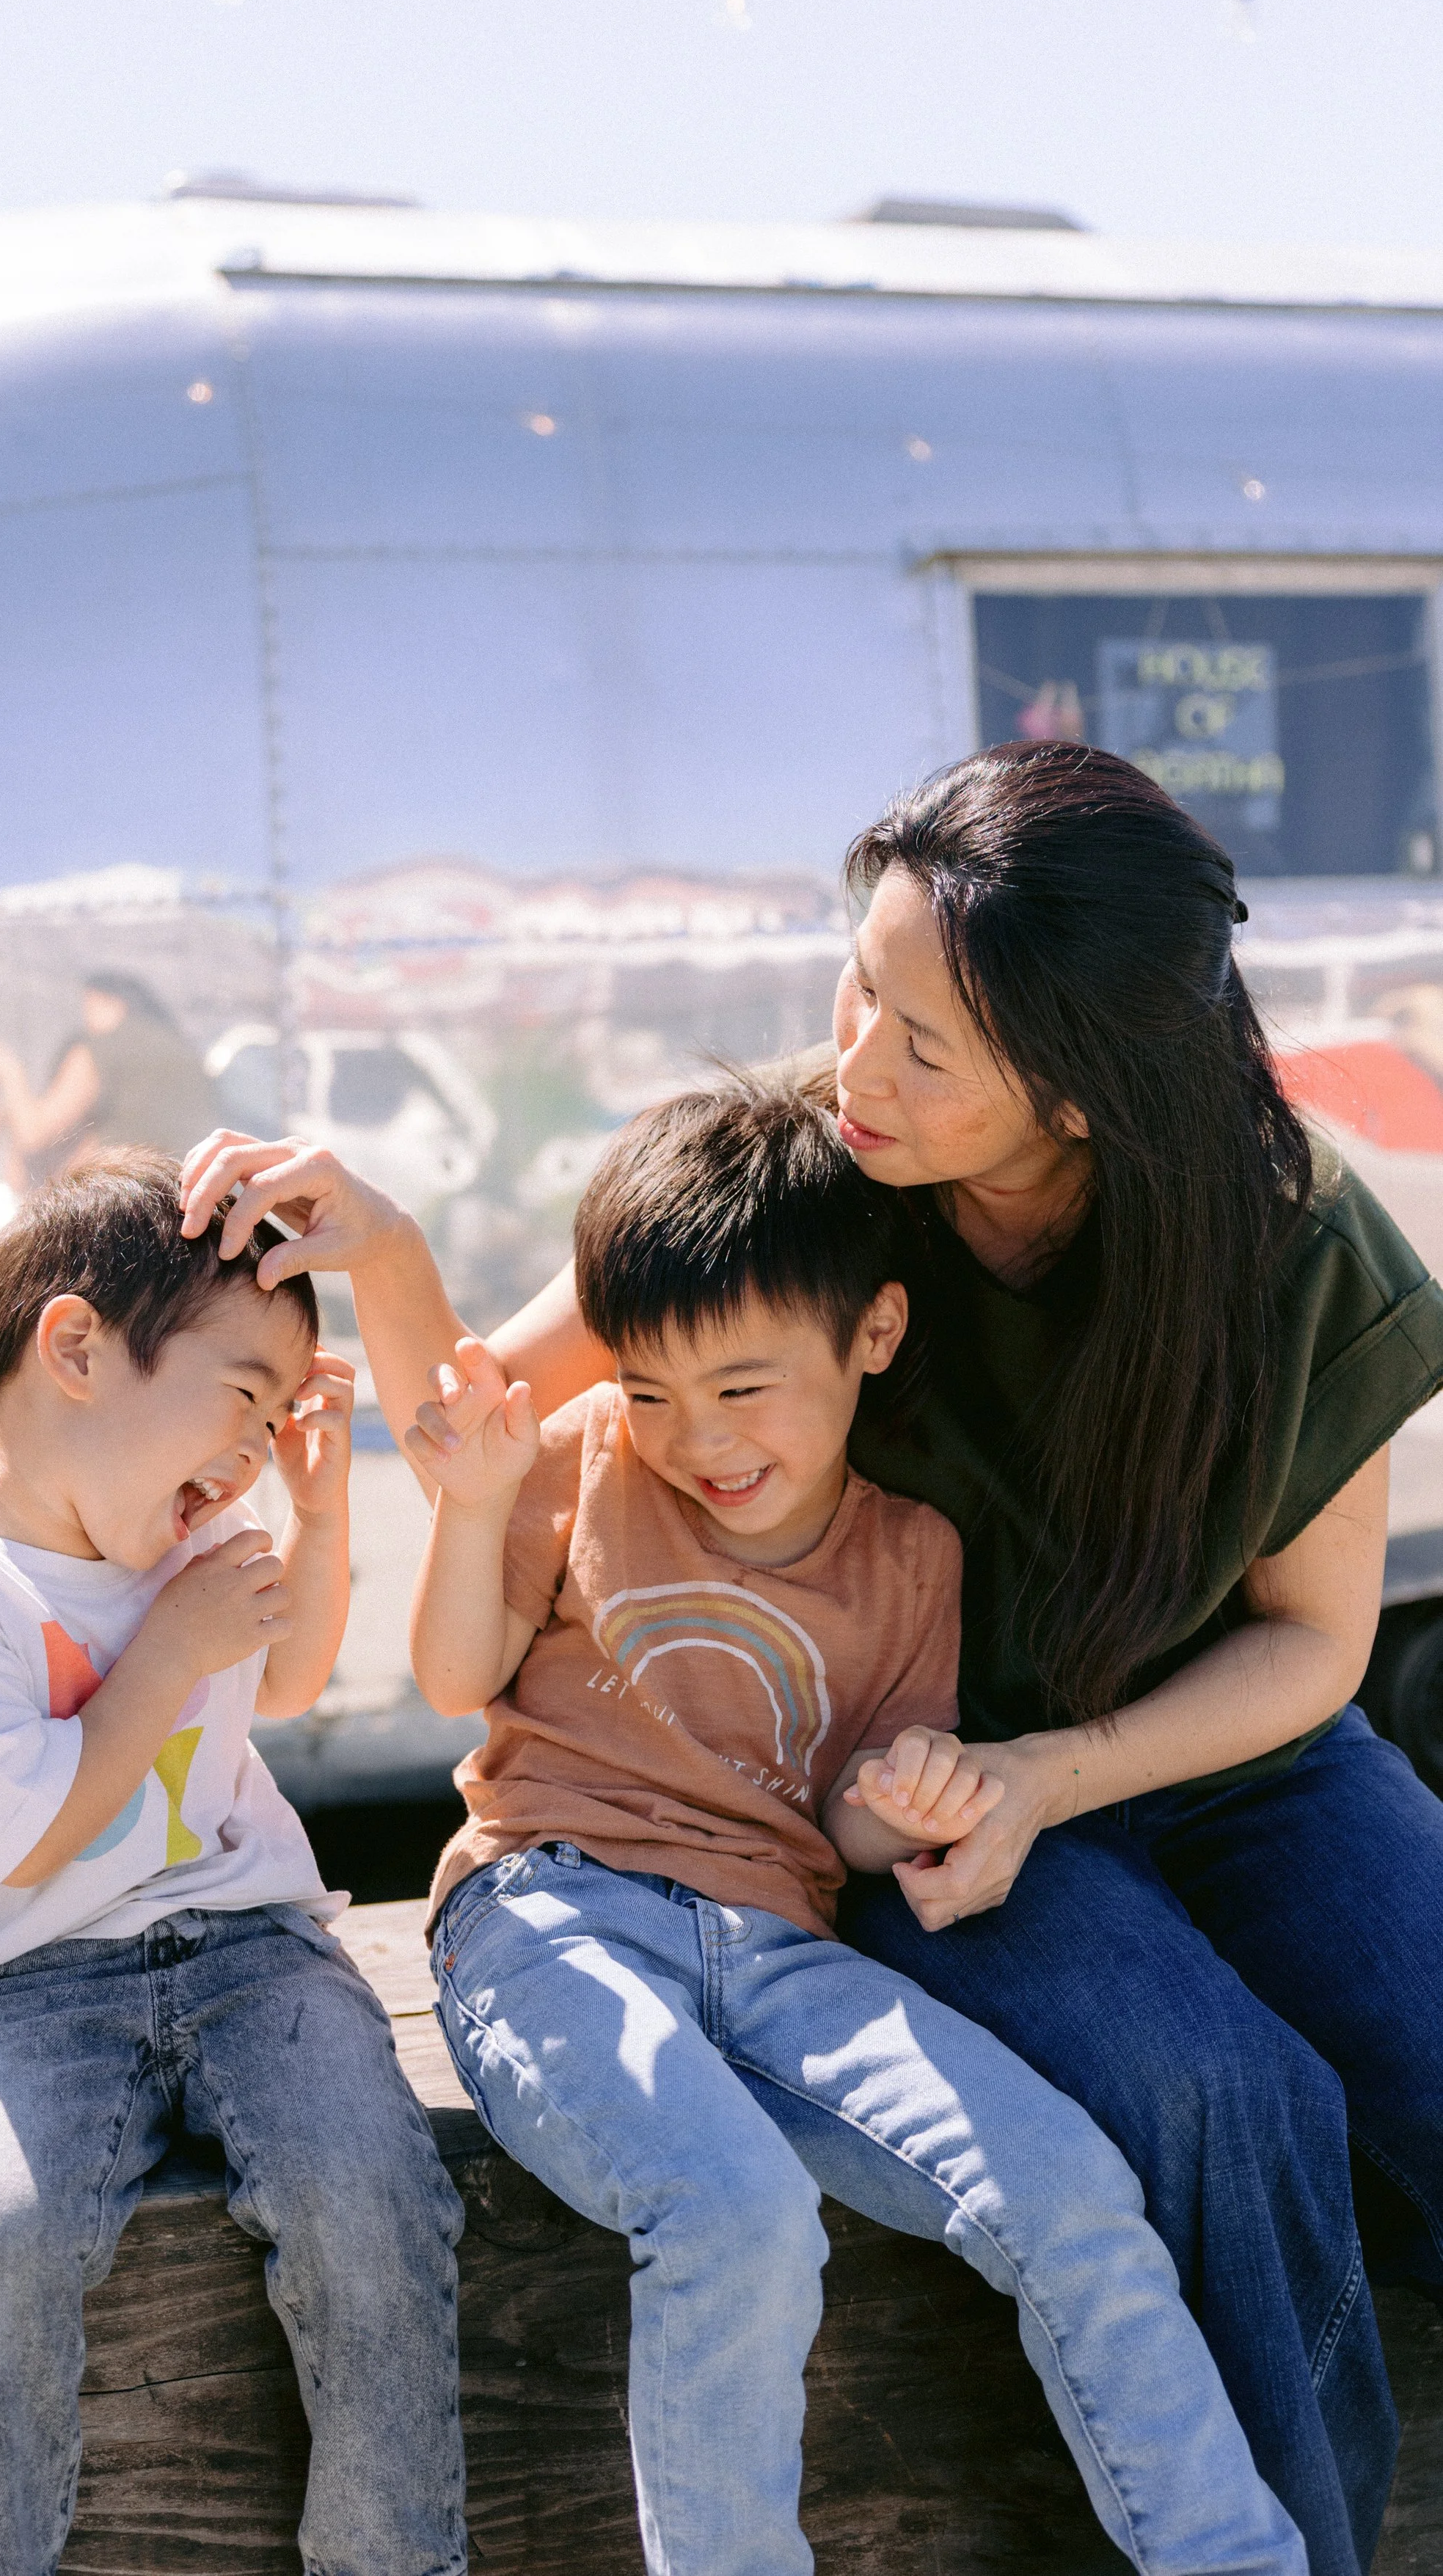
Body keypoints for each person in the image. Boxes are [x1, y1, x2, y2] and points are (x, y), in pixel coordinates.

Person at [177, 742, 1443, 2576]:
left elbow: (1317, 1642)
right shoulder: (810, 1166)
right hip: (917, 1777)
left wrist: (1060, 1769)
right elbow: (497, 1408)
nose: (856, 1059)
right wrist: (378, 1241)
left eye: (923, 1043)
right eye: (861, 984)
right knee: (1223, 2097)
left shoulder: (1295, 1238)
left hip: (1215, 1746)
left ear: (1080, 1098)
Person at [398, 1077, 1307, 2576]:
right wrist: (470, 1504)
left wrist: (906, 1804)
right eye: (649, 1390)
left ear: (871, 1336)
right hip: (548, 1913)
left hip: (773, 1947)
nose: (696, 1438)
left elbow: (839, 1818)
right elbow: (452, 1679)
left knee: (1068, 2190)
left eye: (740, 1387)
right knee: (733, 2208)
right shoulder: (574, 1460)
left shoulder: (912, 1553)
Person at [0, 1150, 466, 2576]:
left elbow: (300, 1670)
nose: (254, 1447)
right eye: (240, 1394)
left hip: (256, 1944)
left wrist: (314, 1521)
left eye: (277, 1417)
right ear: (75, 1349)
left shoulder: (197, 1531)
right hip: (30, 1982)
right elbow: (28, 1839)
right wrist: (170, 1651)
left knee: (371, 2194)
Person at [0, 971, 215, 1178]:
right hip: (187, 1193)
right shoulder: (182, 1051)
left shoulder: (104, 1047)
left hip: (121, 1203)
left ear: (112, 1003)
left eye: (87, 1006)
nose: (84, 1019)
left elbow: (34, 1135)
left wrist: (9, 1072)